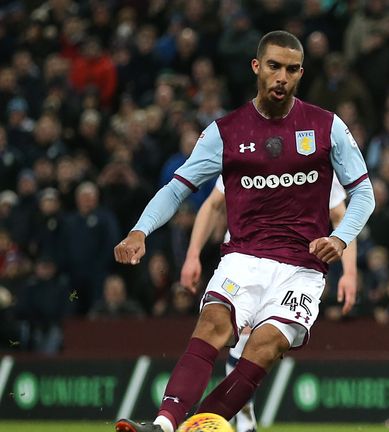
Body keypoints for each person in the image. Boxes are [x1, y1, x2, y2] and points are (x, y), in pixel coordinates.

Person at [113, 31, 374, 432]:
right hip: (243, 257)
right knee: (213, 325)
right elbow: (179, 188)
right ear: (257, 67)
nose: (281, 77)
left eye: (291, 69)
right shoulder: (225, 132)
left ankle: (195, 426)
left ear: (301, 73)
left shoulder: (327, 127)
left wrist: (340, 239)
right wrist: (140, 231)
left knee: (265, 346)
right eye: (273, 66)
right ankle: (164, 425)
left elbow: (364, 195)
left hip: (302, 268)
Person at [178, 173, 358, 432]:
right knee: (231, 334)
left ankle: (233, 414)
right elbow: (214, 203)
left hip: (291, 268)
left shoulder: (317, 160)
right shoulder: (243, 149)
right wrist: (192, 254)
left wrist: (350, 273)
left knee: (262, 344)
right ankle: (222, 417)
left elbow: (341, 216)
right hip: (241, 260)